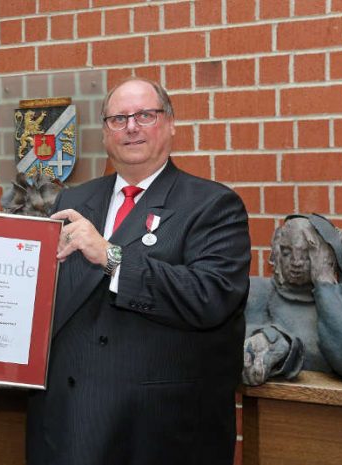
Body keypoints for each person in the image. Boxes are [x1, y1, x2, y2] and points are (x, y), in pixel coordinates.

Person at [26, 77, 251, 465]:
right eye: (118, 118)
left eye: (145, 115)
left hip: (155, 434)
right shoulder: (73, 200)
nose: (131, 127)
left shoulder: (214, 205)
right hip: (67, 426)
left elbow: (209, 298)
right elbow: (42, 294)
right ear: (105, 132)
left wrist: (111, 255)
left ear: (171, 123)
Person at [243, 215, 342, 386]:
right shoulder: (259, 292)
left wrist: (324, 281)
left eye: (307, 254)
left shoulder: (337, 302)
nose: (296, 262)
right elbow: (226, 337)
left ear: (326, 257)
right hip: (270, 407)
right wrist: (271, 338)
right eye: (286, 252)